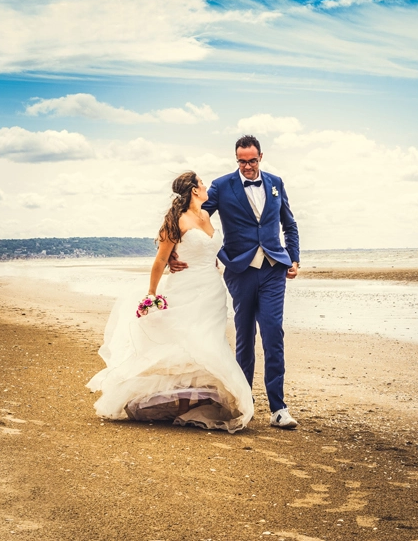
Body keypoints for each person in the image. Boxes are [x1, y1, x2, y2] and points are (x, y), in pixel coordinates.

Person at [87, 171, 253, 433]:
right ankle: (181, 403)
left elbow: (211, 250)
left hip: (212, 290)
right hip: (185, 288)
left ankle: (196, 401)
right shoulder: (176, 221)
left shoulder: (206, 215)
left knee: (209, 341)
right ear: (194, 190)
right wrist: (151, 295)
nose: (206, 186)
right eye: (202, 183)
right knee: (187, 343)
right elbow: (160, 260)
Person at [169, 135, 301, 429]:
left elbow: (289, 224)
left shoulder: (276, 183)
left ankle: (279, 408)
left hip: (273, 269)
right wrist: (171, 253)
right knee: (244, 336)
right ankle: (245, 402)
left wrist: (294, 258)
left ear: (261, 157)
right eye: (242, 161)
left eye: (252, 161)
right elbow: (191, 217)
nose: (247, 166)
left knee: (273, 332)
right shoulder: (221, 186)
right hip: (240, 271)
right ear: (236, 159)